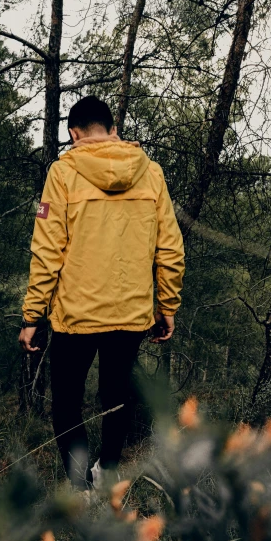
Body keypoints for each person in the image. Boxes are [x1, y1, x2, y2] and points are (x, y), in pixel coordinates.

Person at [19, 95, 185, 491]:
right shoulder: (151, 173)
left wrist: (32, 316)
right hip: (130, 314)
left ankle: (81, 489)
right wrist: (168, 305)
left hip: (76, 315)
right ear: (112, 129)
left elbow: (47, 251)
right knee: (117, 395)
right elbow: (170, 248)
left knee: (66, 404)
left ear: (74, 134)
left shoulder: (62, 173)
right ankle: (107, 472)